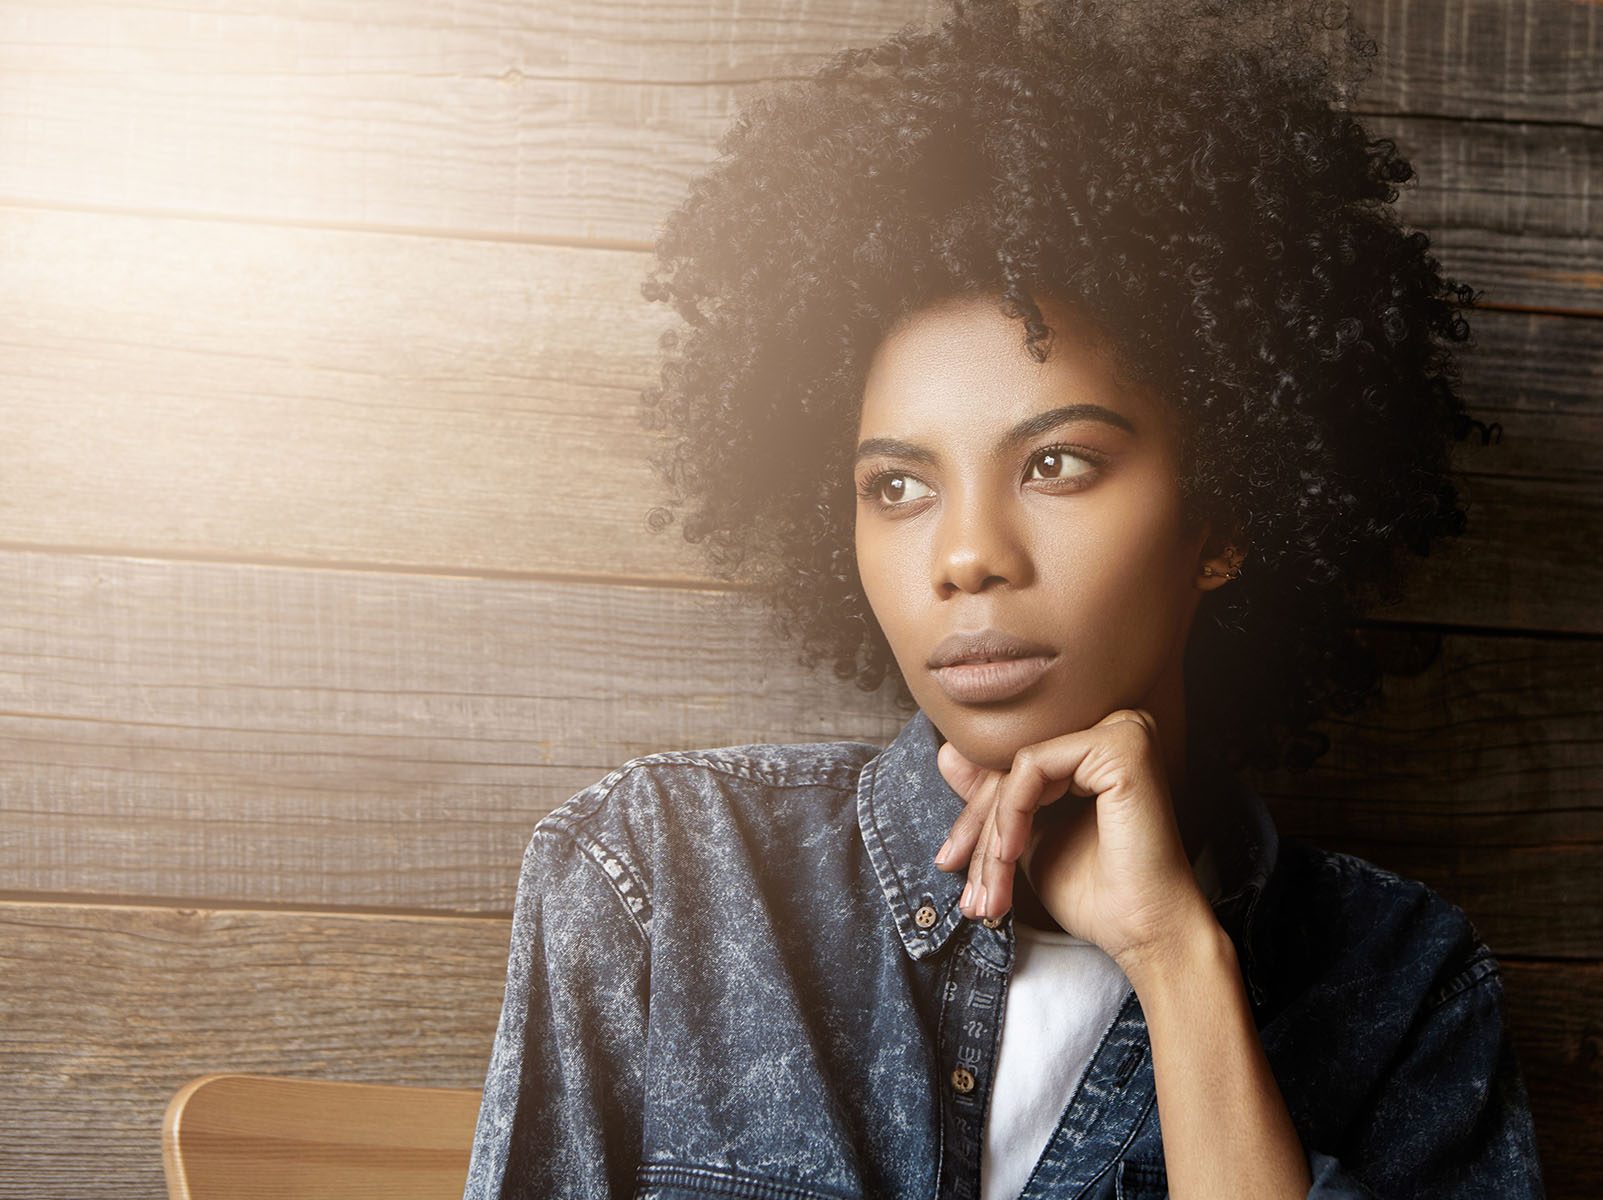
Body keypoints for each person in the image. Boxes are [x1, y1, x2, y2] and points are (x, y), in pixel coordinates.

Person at [462, 0, 1546, 1196]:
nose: (965, 556)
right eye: (899, 485)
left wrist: (1177, 958)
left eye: (1056, 463)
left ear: (1226, 517)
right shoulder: (662, 878)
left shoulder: (1401, 984)